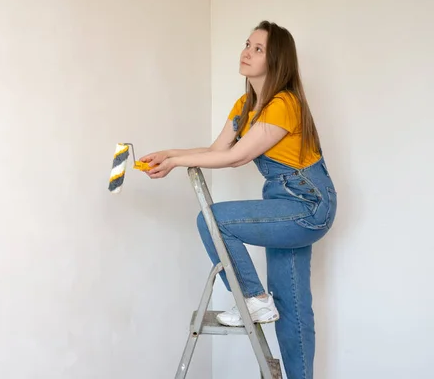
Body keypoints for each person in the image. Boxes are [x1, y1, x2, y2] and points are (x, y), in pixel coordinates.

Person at [139, 20, 337, 379]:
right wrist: (169, 154)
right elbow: (218, 150)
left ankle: (253, 299)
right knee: (292, 306)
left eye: (258, 49)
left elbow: (236, 157)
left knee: (213, 219)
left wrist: (177, 161)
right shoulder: (245, 105)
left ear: (276, 60)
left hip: (308, 206)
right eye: (247, 44)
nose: (246, 52)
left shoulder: (284, 104)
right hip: (282, 202)